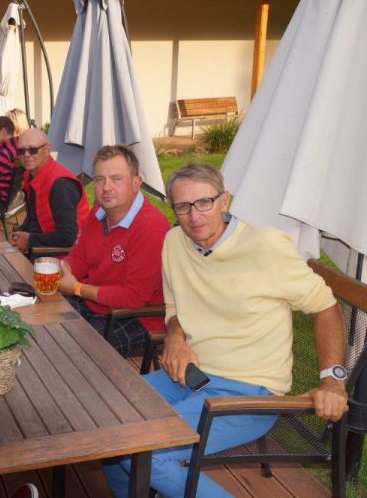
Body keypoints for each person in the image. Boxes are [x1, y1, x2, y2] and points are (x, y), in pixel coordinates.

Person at [102, 163, 349, 497]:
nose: (194, 216)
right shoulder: (174, 242)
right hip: (190, 376)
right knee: (108, 424)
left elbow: (326, 306)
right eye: (183, 207)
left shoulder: (265, 246)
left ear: (224, 201)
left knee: (142, 450)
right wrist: (175, 337)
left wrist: (332, 380)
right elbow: (174, 309)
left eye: (204, 202)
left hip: (249, 393)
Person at [57, 145, 169, 356]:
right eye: (100, 179)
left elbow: (133, 297)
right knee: (44, 320)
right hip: (97, 303)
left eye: (116, 179)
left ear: (136, 183)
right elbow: (80, 257)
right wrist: (62, 268)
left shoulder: (150, 228)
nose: (106, 187)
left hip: (138, 317)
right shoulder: (99, 211)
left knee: (74, 352)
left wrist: (77, 288)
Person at [11, 128, 90, 252]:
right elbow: (33, 218)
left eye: (33, 150)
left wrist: (30, 240)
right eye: (21, 151)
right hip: (43, 249)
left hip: (68, 256)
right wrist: (20, 232)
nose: (26, 155)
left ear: (47, 150)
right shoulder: (30, 176)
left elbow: (68, 237)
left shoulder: (60, 184)